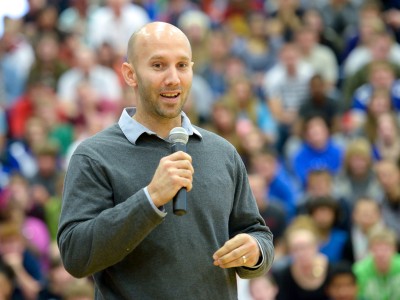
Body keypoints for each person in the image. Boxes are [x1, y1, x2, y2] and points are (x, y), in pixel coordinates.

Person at [57, 21, 274, 299]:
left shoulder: (223, 152)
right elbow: (76, 256)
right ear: (130, 74)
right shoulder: (94, 156)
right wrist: (149, 199)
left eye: (182, 65)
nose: (173, 78)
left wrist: (255, 250)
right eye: (158, 65)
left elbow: (258, 233)